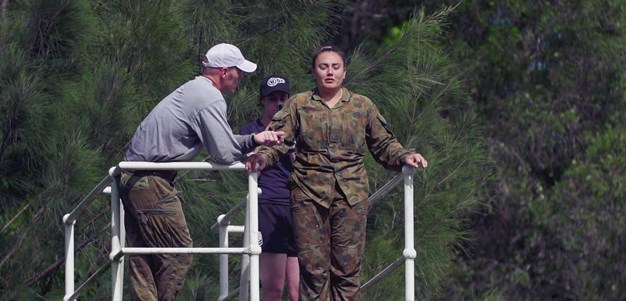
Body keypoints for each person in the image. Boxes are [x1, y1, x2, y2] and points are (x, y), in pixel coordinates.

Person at [245, 45, 428, 301]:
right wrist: (262, 157)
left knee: (347, 272)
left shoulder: (362, 105)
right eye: (323, 67)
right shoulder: (298, 103)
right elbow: (279, 140)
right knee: (313, 272)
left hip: (350, 197)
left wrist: (404, 156)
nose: (329, 72)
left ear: (344, 72)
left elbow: (384, 144)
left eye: (335, 67)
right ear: (314, 72)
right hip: (309, 196)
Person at [120, 43, 284, 301]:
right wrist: (252, 143)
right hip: (150, 181)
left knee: (142, 259)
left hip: (133, 177)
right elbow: (224, 152)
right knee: (179, 253)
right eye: (238, 72)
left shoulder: (195, 90)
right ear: (224, 71)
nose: (240, 77)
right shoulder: (209, 97)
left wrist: (255, 138)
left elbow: (224, 142)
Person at [239, 75, 299, 301]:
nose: (279, 104)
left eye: (284, 98)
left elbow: (303, 165)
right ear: (262, 101)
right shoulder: (250, 131)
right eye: (273, 99)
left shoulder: (298, 130)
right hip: (268, 205)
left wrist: (291, 143)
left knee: (299, 291)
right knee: (274, 288)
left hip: (297, 206)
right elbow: (250, 161)